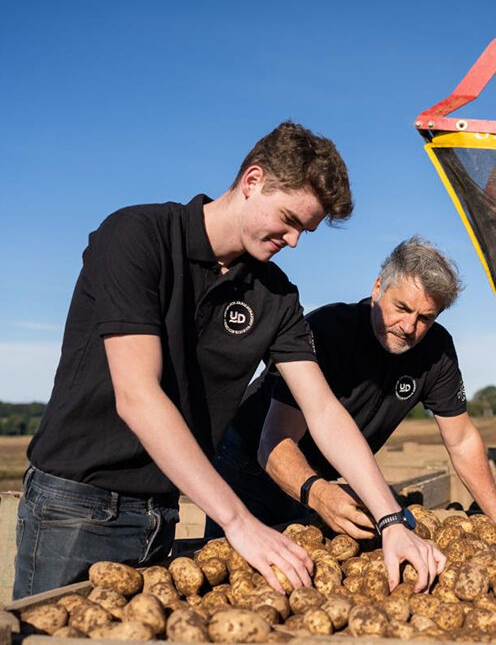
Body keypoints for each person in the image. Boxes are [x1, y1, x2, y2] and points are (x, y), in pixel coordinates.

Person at [15, 122, 443, 599]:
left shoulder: (275, 295)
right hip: (77, 505)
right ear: (252, 180)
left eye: (306, 230)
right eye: (289, 219)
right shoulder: (138, 238)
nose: (295, 240)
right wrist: (238, 521)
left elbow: (322, 410)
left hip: (165, 508)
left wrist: (390, 521)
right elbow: (137, 396)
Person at [207, 237, 496, 539]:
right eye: (401, 308)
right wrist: (320, 494)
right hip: (252, 461)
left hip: (323, 477)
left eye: (426, 318)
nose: (409, 326)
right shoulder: (327, 332)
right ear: (377, 289)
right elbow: (276, 443)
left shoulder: (437, 352)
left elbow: (461, 439)